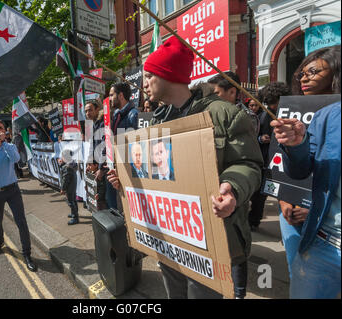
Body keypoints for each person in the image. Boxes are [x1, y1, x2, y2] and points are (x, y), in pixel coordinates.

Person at [108, 36, 263, 299]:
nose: (143, 83)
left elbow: (249, 164)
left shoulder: (223, 114)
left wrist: (232, 189)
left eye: (149, 75)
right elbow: (154, 172)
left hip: (209, 240)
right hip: (168, 240)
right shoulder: (154, 122)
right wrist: (126, 181)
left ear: (167, 74)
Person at [279, 45, 340, 276]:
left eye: (313, 72)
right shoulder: (292, 111)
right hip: (291, 212)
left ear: (336, 72)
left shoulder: (331, 115)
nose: (304, 77)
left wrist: (316, 210)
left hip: (326, 224)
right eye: (302, 73)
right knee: (298, 272)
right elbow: (283, 167)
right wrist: (284, 200)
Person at [270, 101, 340, 298]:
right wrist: (297, 146)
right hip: (324, 243)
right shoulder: (328, 116)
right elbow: (300, 170)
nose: (306, 79)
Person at [0, 119, 37, 272]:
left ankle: (27, 254)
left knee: (21, 222)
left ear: (5, 131)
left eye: (1, 128)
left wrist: (3, 145)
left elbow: (17, 159)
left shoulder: (9, 146)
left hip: (12, 191)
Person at [249, 82, 291, 232]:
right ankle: (254, 220)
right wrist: (262, 139)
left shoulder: (293, 113)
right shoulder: (263, 116)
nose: (272, 106)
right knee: (261, 193)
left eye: (274, 102)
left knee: (287, 196)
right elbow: (254, 136)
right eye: (268, 102)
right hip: (268, 161)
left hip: (289, 162)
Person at [99, 83, 139, 210]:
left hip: (127, 171)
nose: (109, 98)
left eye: (111, 95)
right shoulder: (116, 114)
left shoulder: (134, 115)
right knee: (113, 205)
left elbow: (136, 147)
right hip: (114, 169)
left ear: (120, 95)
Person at [59, 149, 79, 225]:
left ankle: (75, 217)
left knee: (70, 201)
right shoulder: (72, 163)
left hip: (69, 187)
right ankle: (74, 212)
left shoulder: (66, 167)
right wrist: (61, 164)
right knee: (74, 199)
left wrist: (63, 189)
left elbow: (65, 179)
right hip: (73, 185)